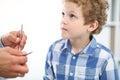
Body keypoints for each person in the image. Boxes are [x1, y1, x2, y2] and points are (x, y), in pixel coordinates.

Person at [43, 0, 119, 80]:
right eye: (63, 14)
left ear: (92, 26)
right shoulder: (54, 49)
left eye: (72, 16)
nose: (63, 21)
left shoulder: (105, 58)